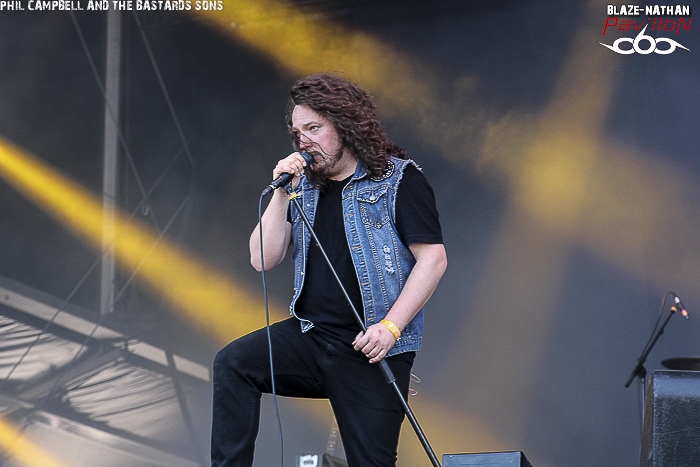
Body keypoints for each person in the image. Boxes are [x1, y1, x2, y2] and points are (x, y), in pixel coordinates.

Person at [211, 73, 447, 467]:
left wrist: (390, 328)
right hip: (311, 336)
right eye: (297, 132)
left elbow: (433, 259)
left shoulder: (397, 180)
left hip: (370, 348)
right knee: (233, 363)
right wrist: (282, 192)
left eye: (314, 128)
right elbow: (263, 259)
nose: (303, 141)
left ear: (345, 124)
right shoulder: (302, 187)